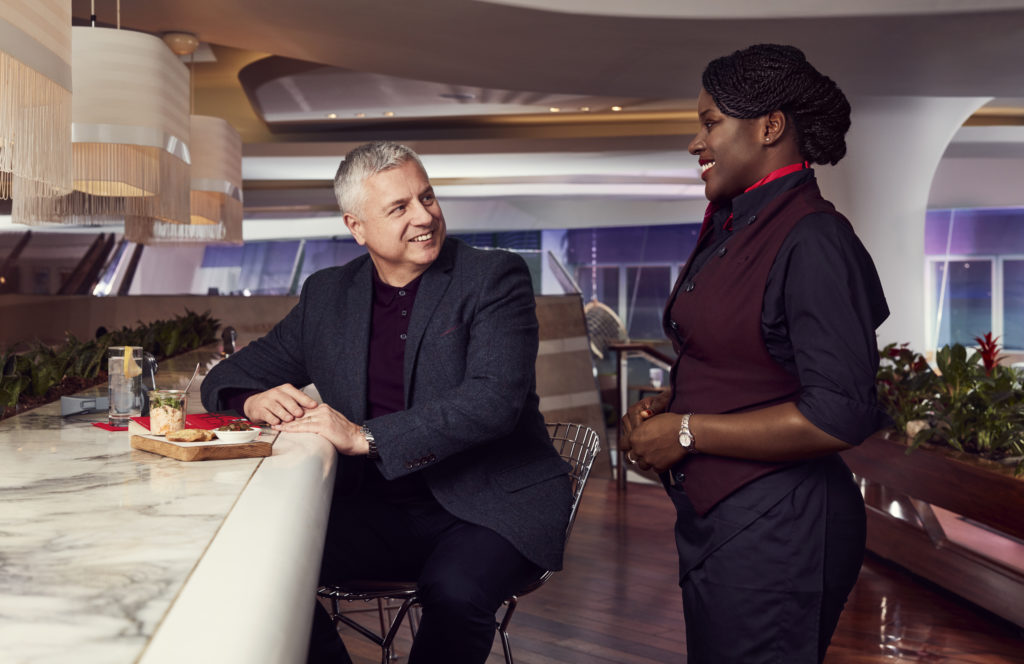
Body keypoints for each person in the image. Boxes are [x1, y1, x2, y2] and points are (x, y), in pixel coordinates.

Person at [200, 141, 571, 664]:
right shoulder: (329, 294)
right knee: (262, 566)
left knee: (457, 593)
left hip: (489, 505)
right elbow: (230, 376)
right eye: (399, 208)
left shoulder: (493, 277)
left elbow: (493, 401)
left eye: (428, 197)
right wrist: (254, 399)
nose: (425, 216)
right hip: (378, 506)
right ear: (357, 227)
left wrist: (362, 436)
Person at [619, 44, 889, 663]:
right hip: (729, 525)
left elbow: (838, 412)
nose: (696, 142)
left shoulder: (814, 238)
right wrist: (672, 404)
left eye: (710, 122)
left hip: (782, 533)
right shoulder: (738, 222)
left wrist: (686, 431)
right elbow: (753, 363)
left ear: (769, 127)